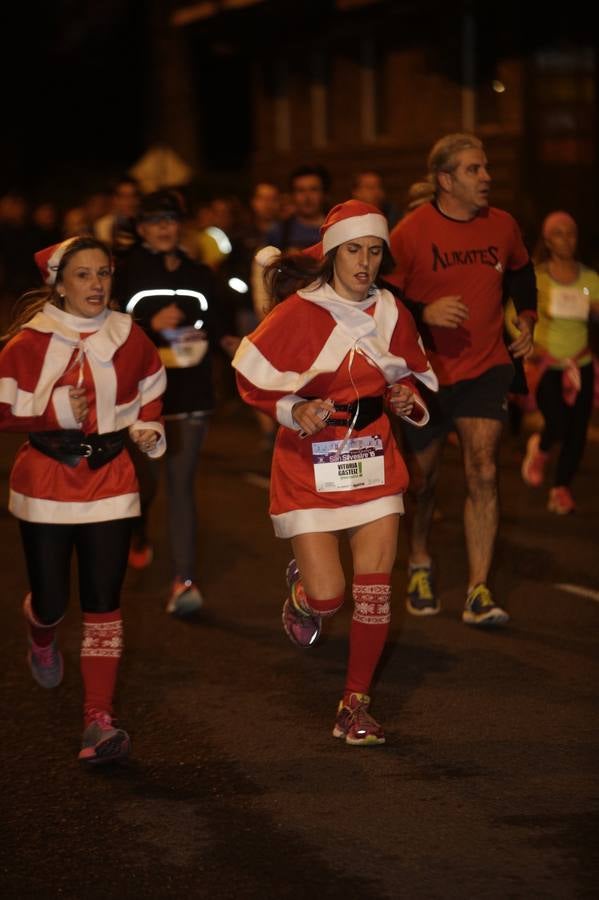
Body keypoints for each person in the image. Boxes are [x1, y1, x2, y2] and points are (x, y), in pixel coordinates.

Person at [233, 200, 438, 745]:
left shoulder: (392, 311)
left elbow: (411, 377)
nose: (365, 262)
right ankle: (305, 593)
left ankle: (355, 702)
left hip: (372, 454)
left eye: (374, 251)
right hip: (309, 461)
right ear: (331, 253)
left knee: (374, 593)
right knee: (331, 596)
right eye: (354, 250)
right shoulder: (298, 312)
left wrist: (405, 400)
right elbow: (251, 378)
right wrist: (292, 409)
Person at [0, 236, 166, 764]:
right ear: (59, 282)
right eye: (83, 275)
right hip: (47, 480)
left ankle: (98, 719)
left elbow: (151, 386)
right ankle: (41, 631)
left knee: (102, 601)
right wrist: (52, 409)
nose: (96, 285)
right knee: (52, 599)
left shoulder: (128, 335)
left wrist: (146, 427)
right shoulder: (28, 342)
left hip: (111, 478)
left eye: (103, 273)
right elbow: (4, 410)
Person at [386, 133, 536, 625]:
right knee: (425, 479)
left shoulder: (503, 225)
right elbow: (384, 304)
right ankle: (421, 560)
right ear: (445, 179)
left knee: (485, 469)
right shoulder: (409, 233)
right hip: (427, 374)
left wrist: (527, 319)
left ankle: (478, 590)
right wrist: (424, 310)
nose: (486, 177)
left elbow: (520, 270)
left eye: (486, 167)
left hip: (487, 367)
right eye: (474, 170)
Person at [113, 190, 238, 615]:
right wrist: (147, 323)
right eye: (155, 220)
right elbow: (106, 327)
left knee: (181, 486)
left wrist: (234, 345)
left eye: (171, 219)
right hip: (140, 398)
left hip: (191, 391)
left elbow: (219, 324)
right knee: (144, 483)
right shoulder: (123, 272)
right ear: (142, 227)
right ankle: (138, 530)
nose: (165, 227)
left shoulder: (201, 273)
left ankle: (183, 582)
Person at [520, 211, 599, 513]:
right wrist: (529, 342)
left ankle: (561, 488)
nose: (566, 239)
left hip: (581, 363)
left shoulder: (591, 278)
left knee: (578, 430)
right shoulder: (537, 277)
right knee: (558, 423)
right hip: (546, 363)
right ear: (548, 240)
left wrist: (594, 310)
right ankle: (540, 447)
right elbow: (514, 313)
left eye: (571, 233)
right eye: (559, 233)